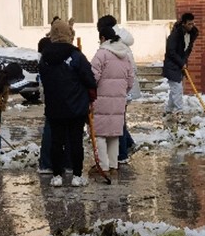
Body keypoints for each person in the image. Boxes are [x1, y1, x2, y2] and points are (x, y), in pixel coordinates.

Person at [39, 19, 97, 187]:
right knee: (75, 141)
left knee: (56, 142)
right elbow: (89, 78)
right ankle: (76, 175)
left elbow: (44, 80)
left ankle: (57, 175)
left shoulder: (45, 58)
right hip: (76, 106)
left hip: (54, 107)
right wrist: (90, 95)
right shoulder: (76, 56)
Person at [96, 15, 140, 165]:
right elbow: (131, 72)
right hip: (122, 91)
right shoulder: (122, 45)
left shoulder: (106, 50)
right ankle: (127, 145)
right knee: (119, 120)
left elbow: (94, 74)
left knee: (114, 124)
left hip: (112, 93)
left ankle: (120, 155)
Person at [90, 26, 134, 174]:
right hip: (119, 99)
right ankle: (113, 166)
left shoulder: (101, 54)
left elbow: (93, 77)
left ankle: (103, 166)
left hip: (101, 99)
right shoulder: (125, 55)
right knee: (114, 134)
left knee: (100, 134)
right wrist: (121, 92)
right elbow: (130, 80)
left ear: (102, 38)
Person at [162, 12, 199, 119]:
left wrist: (184, 62)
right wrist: (181, 62)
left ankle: (168, 110)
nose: (191, 26)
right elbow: (171, 52)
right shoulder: (174, 36)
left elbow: (188, 49)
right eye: (189, 24)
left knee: (175, 89)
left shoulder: (191, 34)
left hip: (180, 65)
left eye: (192, 23)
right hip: (171, 65)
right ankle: (179, 111)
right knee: (177, 88)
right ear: (183, 23)